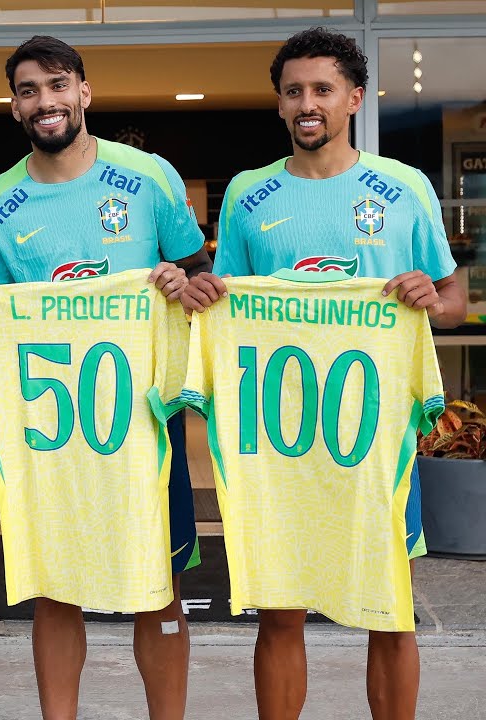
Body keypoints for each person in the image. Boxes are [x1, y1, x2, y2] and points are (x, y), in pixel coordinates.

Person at [181, 27, 466, 720]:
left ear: (354, 99)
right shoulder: (249, 195)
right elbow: (229, 305)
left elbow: (455, 298)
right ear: (280, 106)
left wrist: (433, 300)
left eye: (322, 90)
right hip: (277, 440)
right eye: (293, 92)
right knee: (281, 613)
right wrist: (203, 295)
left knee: (390, 609)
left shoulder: (402, 188)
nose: (307, 103)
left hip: (375, 441)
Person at [0, 35, 211, 720]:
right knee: (55, 586)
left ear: (84, 93)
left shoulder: (149, 176)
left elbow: (202, 277)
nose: (45, 101)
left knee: (162, 583)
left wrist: (184, 282)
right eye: (28, 90)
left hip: (146, 425)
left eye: (57, 85)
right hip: (50, 432)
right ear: (14, 107)